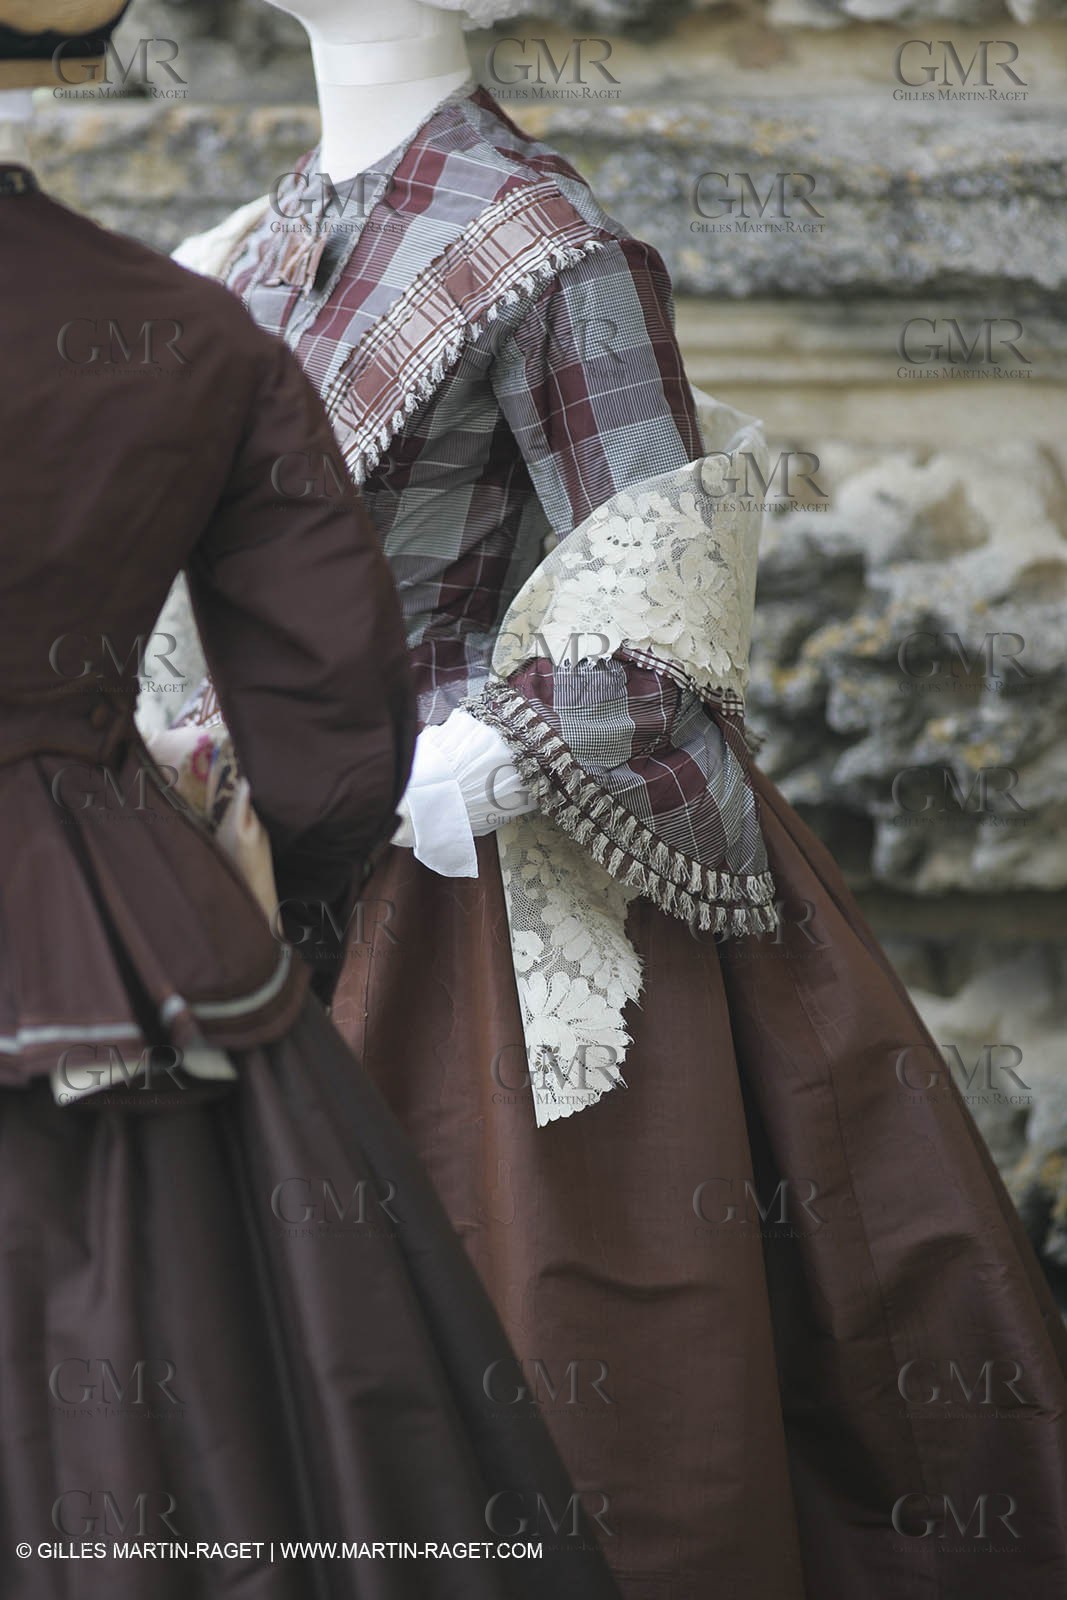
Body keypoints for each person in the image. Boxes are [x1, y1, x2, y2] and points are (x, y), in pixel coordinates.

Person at [166, 2, 1067, 1594]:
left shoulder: (557, 247)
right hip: (271, 875)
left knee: (561, 1345)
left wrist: (496, 746)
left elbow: (665, 585)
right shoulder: (252, 244)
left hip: (479, 887)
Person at [0, 8, 624, 1599]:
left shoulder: (545, 245)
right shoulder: (183, 325)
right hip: (114, 945)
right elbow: (327, 729)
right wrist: (220, 854)